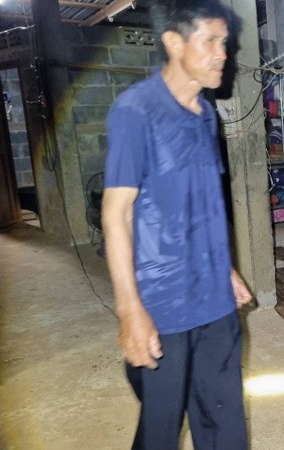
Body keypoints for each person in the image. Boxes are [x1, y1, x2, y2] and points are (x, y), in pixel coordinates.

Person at [101, 1, 252, 448]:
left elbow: (204, 201)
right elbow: (117, 213)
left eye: (224, 42)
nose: (222, 53)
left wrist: (226, 268)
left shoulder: (206, 114)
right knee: (161, 431)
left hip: (215, 304)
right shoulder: (136, 111)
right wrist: (130, 311)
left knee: (226, 429)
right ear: (173, 41)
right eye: (210, 41)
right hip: (162, 305)